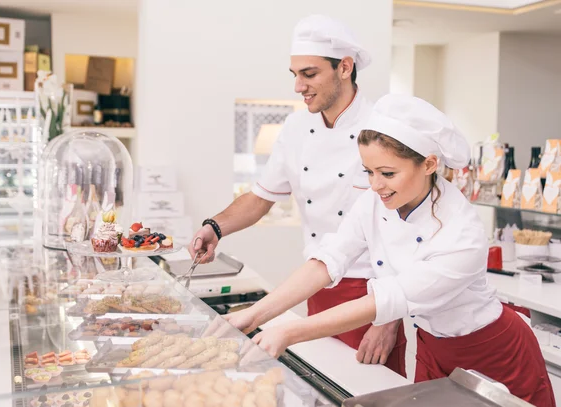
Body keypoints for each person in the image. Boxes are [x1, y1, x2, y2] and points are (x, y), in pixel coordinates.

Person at [225, 94, 555, 406]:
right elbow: (328, 260)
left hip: (494, 352)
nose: (375, 185)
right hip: (432, 346)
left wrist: (290, 331)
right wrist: (255, 314)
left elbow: (386, 299)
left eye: (387, 174)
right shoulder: (374, 202)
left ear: (428, 164)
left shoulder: (461, 232)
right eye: (368, 172)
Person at [189, 14, 407, 376]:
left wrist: (387, 319)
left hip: (373, 294)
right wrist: (216, 226)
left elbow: (402, 230)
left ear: (345, 68)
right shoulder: (294, 127)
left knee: (370, 392)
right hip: (316, 283)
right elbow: (261, 197)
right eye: (294, 75)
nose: (298, 86)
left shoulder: (382, 128)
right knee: (321, 383)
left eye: (309, 74)